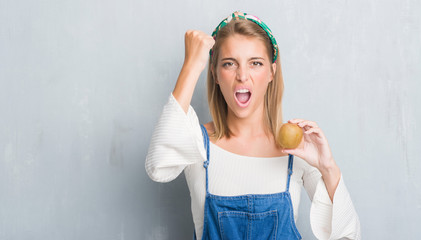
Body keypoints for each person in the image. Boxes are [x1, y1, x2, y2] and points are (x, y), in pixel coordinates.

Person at [146, 11, 361, 240]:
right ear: (215, 74)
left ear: (271, 72)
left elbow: (349, 236)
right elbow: (157, 166)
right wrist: (191, 65)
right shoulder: (197, 142)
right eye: (229, 64)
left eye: (255, 63)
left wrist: (327, 167)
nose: (242, 76)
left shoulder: (296, 151)